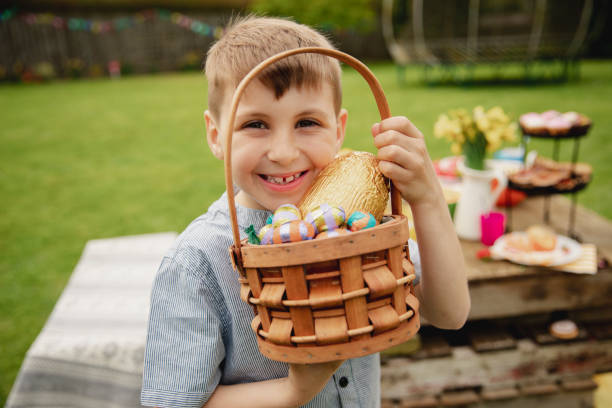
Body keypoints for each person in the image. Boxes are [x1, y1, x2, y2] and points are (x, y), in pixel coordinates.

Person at [141, 16, 470, 408]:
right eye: (256, 124)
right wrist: (293, 391)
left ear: (338, 129)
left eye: (307, 122)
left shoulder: (358, 222)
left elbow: (449, 313)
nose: (283, 152)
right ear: (217, 136)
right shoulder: (197, 262)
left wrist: (428, 199)